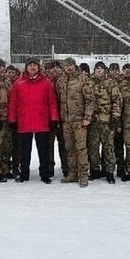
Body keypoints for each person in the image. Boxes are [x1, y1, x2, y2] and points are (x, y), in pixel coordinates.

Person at [8, 58, 59, 183]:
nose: (32, 68)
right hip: (24, 122)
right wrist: (12, 119)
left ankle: (44, 173)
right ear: (26, 68)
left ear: (38, 68)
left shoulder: (46, 83)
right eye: (30, 65)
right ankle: (24, 173)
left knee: (43, 151)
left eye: (34, 65)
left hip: (42, 122)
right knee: (24, 151)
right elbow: (13, 103)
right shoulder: (19, 84)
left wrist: (54, 118)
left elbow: (52, 102)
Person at [55, 57, 96, 187]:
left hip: (79, 120)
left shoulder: (82, 79)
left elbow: (90, 100)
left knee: (81, 148)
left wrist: (87, 117)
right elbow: (58, 98)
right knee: (69, 148)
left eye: (70, 65)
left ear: (74, 66)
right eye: (66, 66)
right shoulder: (61, 81)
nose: (68, 68)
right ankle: (72, 173)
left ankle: (83, 174)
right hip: (66, 120)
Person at [87, 61, 122, 183]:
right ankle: (95, 170)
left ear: (105, 70)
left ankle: (109, 171)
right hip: (93, 121)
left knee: (108, 147)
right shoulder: (89, 82)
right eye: (97, 69)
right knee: (93, 147)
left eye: (101, 69)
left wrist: (115, 118)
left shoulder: (111, 83)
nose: (99, 71)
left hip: (107, 121)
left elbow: (117, 101)